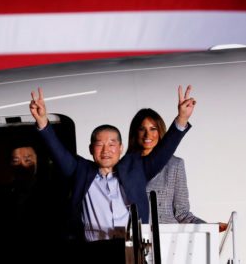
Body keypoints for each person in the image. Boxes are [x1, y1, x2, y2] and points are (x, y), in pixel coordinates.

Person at [29, 86, 195, 263]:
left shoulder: (136, 169)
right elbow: (58, 151)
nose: (106, 150)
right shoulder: (80, 171)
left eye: (112, 144)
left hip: (131, 251)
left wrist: (182, 118)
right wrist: (42, 122)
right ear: (91, 149)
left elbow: (165, 149)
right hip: (94, 252)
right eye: (100, 144)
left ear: (121, 148)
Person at [0, 141, 66, 264]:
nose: (22, 165)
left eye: (28, 160)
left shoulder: (53, 195)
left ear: (38, 162)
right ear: (9, 164)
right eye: (16, 161)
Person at [127, 108, 205, 224]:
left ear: (160, 132)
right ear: (135, 133)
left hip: (168, 237)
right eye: (142, 129)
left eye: (153, 129)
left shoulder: (175, 165)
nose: (147, 134)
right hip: (137, 237)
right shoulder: (124, 167)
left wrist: (208, 227)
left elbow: (182, 213)